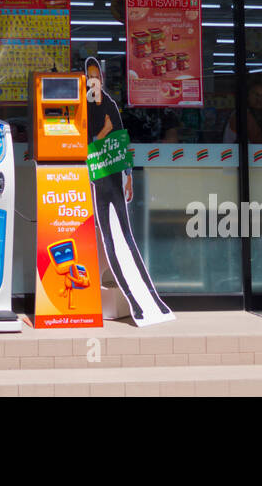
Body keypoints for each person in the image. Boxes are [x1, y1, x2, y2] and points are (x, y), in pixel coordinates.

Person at [84, 56, 173, 326]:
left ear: (102, 78)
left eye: (95, 75)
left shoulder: (109, 103)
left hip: (113, 179)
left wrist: (128, 178)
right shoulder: (84, 108)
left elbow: (121, 140)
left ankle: (152, 301)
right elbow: (87, 141)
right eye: (88, 77)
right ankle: (136, 303)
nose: (93, 81)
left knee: (127, 239)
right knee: (111, 243)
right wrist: (102, 134)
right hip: (97, 180)